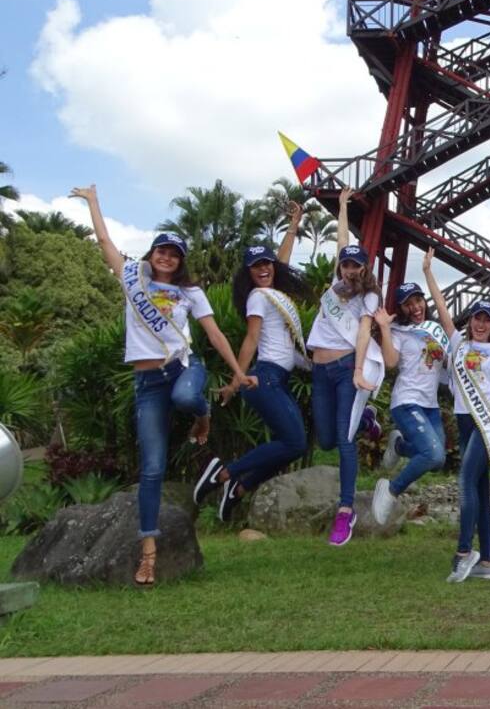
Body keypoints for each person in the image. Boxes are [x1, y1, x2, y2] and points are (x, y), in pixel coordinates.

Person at [70, 185, 251, 585]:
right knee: (151, 470)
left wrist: (237, 373)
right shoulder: (131, 278)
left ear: (181, 260)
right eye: (160, 251)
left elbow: (215, 333)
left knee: (187, 396)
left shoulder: (190, 292)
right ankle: (148, 554)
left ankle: (201, 415)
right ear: (151, 254)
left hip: (184, 369)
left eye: (173, 253)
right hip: (146, 382)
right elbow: (104, 242)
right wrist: (94, 202)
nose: (166, 257)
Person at [193, 202, 311, 521]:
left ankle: (239, 489)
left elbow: (281, 260)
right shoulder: (258, 297)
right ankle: (222, 474)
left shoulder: (275, 292)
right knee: (295, 442)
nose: (264, 269)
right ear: (248, 272)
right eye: (256, 266)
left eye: (267, 264)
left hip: (278, 380)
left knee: (290, 445)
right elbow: (251, 339)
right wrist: (236, 379)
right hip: (265, 377)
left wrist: (293, 224)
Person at [423, 257, 490, 582]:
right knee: (479, 489)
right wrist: (427, 272)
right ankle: (489, 563)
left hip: (487, 422)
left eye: (487, 320)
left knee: (465, 482)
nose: (481, 324)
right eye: (477, 319)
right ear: (471, 321)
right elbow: (441, 309)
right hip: (465, 422)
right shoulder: (458, 344)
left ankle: (464, 553)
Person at [307, 187, 383, 546]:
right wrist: (341, 208)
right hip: (319, 371)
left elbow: (365, 332)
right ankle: (366, 418)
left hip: (344, 369)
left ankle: (345, 510)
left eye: (356, 264)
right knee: (324, 439)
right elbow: (341, 241)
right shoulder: (334, 287)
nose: (350, 269)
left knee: (343, 439)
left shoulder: (367, 295)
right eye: (346, 264)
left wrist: (357, 371)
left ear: (364, 267)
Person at [371, 250, 450, 526]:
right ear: (401, 309)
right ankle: (390, 489)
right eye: (408, 304)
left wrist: (428, 272)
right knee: (433, 453)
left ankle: (399, 445)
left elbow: (442, 307)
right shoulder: (400, 333)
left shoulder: (433, 330)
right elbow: (391, 362)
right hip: (407, 402)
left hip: (430, 405)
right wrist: (383, 328)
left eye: (418, 301)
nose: (415, 307)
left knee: (438, 461)